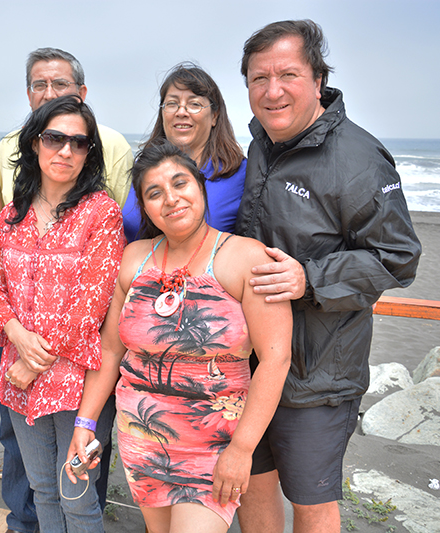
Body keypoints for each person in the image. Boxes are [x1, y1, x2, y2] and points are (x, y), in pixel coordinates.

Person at [233, 20, 422, 533]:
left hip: (317, 374)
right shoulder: (259, 145)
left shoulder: (357, 157)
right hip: (247, 364)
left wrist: (310, 278)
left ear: (318, 79)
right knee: (250, 483)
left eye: (288, 74)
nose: (272, 91)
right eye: (258, 78)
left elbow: (399, 257)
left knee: (311, 501)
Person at [67, 140, 292, 533]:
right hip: (143, 438)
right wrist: (84, 423)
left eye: (180, 183)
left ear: (200, 188)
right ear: (145, 207)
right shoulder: (134, 259)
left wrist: (241, 450)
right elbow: (110, 348)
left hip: (215, 444)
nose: (170, 199)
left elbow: (276, 360)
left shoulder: (245, 257)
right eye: (154, 193)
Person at [0, 47, 132, 533]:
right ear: (35, 143)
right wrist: (16, 340)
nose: (65, 151)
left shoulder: (101, 213)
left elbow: (89, 308)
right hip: (19, 376)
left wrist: (33, 358)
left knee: (77, 498)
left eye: (78, 143)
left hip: (77, 381)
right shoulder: (12, 214)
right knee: (43, 493)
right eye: (54, 138)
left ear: (90, 152)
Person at [130, 63, 246, 241]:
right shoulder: (144, 168)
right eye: (172, 104)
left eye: (194, 104)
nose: (181, 112)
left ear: (214, 116)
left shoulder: (240, 173)